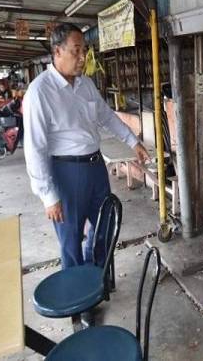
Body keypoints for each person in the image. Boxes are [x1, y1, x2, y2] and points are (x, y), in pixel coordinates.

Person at [23, 23, 149, 273]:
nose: (82, 58)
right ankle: (81, 303)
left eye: (84, 51)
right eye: (76, 51)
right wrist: (48, 195)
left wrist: (133, 142)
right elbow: (35, 147)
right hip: (65, 173)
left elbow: (108, 117)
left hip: (95, 168)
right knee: (70, 240)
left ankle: (98, 279)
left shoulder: (86, 85)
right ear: (57, 51)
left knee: (106, 224)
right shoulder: (40, 92)